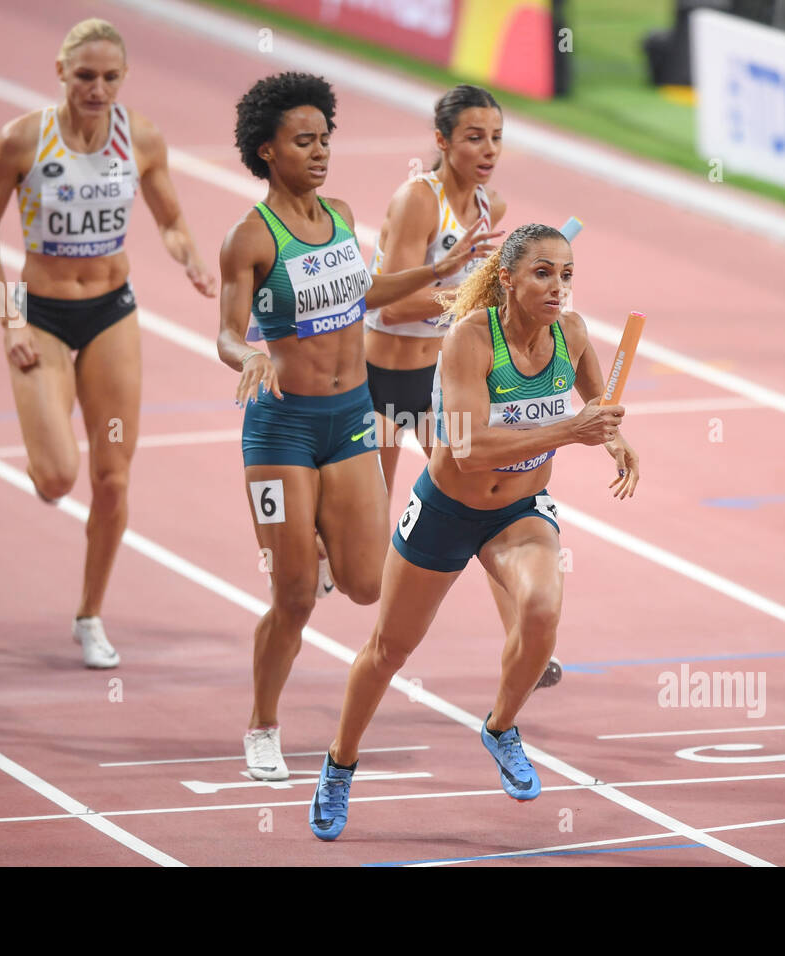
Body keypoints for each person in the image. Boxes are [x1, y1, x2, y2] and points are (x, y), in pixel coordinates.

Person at [309, 223, 639, 840]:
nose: (557, 287)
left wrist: (614, 436)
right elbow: (466, 450)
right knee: (390, 651)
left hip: (518, 512)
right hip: (446, 510)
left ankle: (499, 726)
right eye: (543, 273)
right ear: (508, 279)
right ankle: (340, 763)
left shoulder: (571, 334)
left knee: (541, 611)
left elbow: (598, 398)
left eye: (566, 275)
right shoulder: (470, 339)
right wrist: (572, 431)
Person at [217, 72, 497, 782]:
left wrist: (448, 265)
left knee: (367, 584)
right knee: (295, 596)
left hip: (349, 418)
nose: (319, 153)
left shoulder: (340, 215)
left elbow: (366, 292)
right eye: (302, 142)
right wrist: (247, 354)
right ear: (265, 150)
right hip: (281, 428)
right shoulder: (249, 239)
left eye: (324, 139)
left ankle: (309, 531)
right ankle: (262, 725)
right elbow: (225, 333)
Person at [0, 18, 217, 669]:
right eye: (85, 76)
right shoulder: (21, 140)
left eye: (110, 77)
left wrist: (188, 257)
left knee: (112, 479)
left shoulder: (140, 137)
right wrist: (10, 320)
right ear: (60, 71)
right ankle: (42, 455)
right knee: (57, 477)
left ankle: (89, 615)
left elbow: (169, 220)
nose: (97, 88)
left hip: (111, 312)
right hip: (43, 315)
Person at [364, 84, 563, 692]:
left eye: (497, 137)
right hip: (376, 381)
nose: (488, 149)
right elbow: (391, 306)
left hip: (432, 385)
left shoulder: (490, 209)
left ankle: (524, 642)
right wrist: (467, 298)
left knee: (480, 499)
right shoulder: (416, 202)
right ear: (442, 141)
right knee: (365, 546)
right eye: (474, 137)